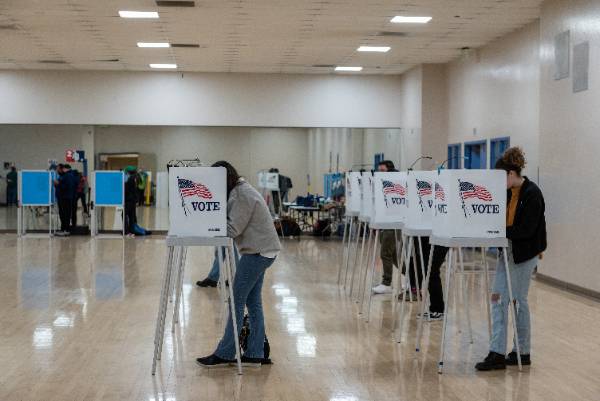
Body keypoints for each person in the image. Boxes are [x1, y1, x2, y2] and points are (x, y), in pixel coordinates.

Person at [196, 161, 281, 368]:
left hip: (258, 252)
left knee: (236, 300)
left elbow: (233, 229)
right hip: (262, 250)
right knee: (253, 302)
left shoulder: (241, 194)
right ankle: (254, 353)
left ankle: (225, 353)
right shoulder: (240, 190)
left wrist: (203, 222)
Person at [475, 147, 547, 371]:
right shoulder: (506, 193)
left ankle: (522, 351)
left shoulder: (532, 193)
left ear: (511, 174)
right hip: (507, 252)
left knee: (518, 301)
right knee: (497, 299)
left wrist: (498, 231)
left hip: (525, 255)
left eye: (500, 178)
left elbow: (526, 230)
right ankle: (497, 352)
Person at [372, 160, 399, 295]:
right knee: (394, 256)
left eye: (382, 171)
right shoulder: (384, 184)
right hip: (385, 223)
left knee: (385, 254)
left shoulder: (394, 183)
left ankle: (387, 283)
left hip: (392, 224)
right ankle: (412, 278)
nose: (380, 173)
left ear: (389, 170)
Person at [54, 164, 76, 236]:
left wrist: (58, 184)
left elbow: (67, 187)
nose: (57, 171)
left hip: (65, 198)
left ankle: (66, 229)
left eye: (58, 169)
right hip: (63, 197)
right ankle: (63, 229)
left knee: (65, 214)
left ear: (62, 169)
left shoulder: (67, 176)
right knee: (63, 214)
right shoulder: (63, 176)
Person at [124, 166, 139, 237]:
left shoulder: (129, 179)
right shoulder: (135, 178)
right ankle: (132, 231)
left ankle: (126, 232)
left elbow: (126, 190)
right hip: (133, 200)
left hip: (128, 200)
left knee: (123, 214)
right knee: (131, 216)